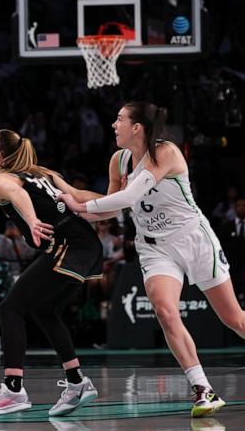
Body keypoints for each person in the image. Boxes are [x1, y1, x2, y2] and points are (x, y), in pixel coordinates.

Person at [60, 101, 245, 418]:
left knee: (234, 319)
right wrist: (67, 193)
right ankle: (203, 388)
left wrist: (80, 207)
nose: (113, 125)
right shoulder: (118, 161)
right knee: (164, 309)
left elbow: (129, 198)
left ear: (137, 127)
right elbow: (111, 208)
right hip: (154, 247)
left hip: (193, 239)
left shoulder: (166, 152)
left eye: (119, 119)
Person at [0, 129, 101, 418]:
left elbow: (17, 193)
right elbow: (80, 198)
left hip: (66, 244)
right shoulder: (42, 172)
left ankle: (13, 389)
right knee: (44, 310)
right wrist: (120, 201)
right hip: (86, 244)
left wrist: (31, 221)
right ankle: (77, 382)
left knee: (9, 310)